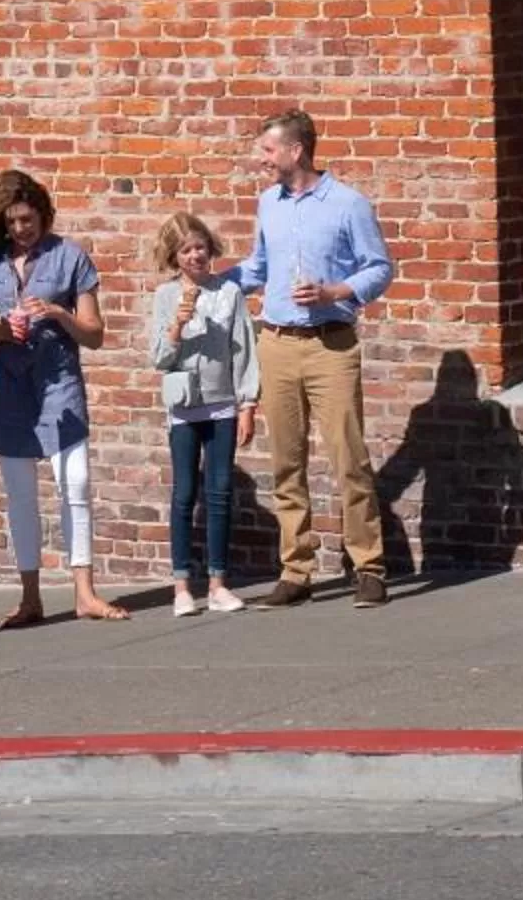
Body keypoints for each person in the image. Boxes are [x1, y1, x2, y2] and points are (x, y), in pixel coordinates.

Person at [238, 108, 394, 607]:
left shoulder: (348, 204)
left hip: (331, 343)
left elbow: (380, 268)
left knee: (348, 458)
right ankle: (296, 570)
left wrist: (335, 291)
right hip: (277, 343)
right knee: (287, 462)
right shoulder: (269, 204)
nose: (260, 158)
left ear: (295, 151)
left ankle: (368, 565)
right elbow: (258, 267)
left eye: (267, 149)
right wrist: (213, 282)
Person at [0, 168, 126, 627]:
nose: (20, 229)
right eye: (12, 222)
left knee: (75, 483)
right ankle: (30, 596)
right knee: (19, 496)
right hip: (10, 388)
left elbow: (94, 335)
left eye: (27, 220)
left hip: (58, 381)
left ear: (44, 215)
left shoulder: (70, 257)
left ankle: (85, 593)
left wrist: (57, 313)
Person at [149, 210, 259, 616]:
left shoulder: (228, 293)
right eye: (186, 249)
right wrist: (176, 325)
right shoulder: (165, 296)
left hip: (222, 405)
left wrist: (247, 403)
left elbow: (243, 350)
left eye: (200, 246)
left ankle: (218, 583)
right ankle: (181, 586)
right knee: (183, 495)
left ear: (210, 248)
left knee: (220, 493)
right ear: (174, 256)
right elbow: (159, 358)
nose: (195, 255)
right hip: (183, 407)